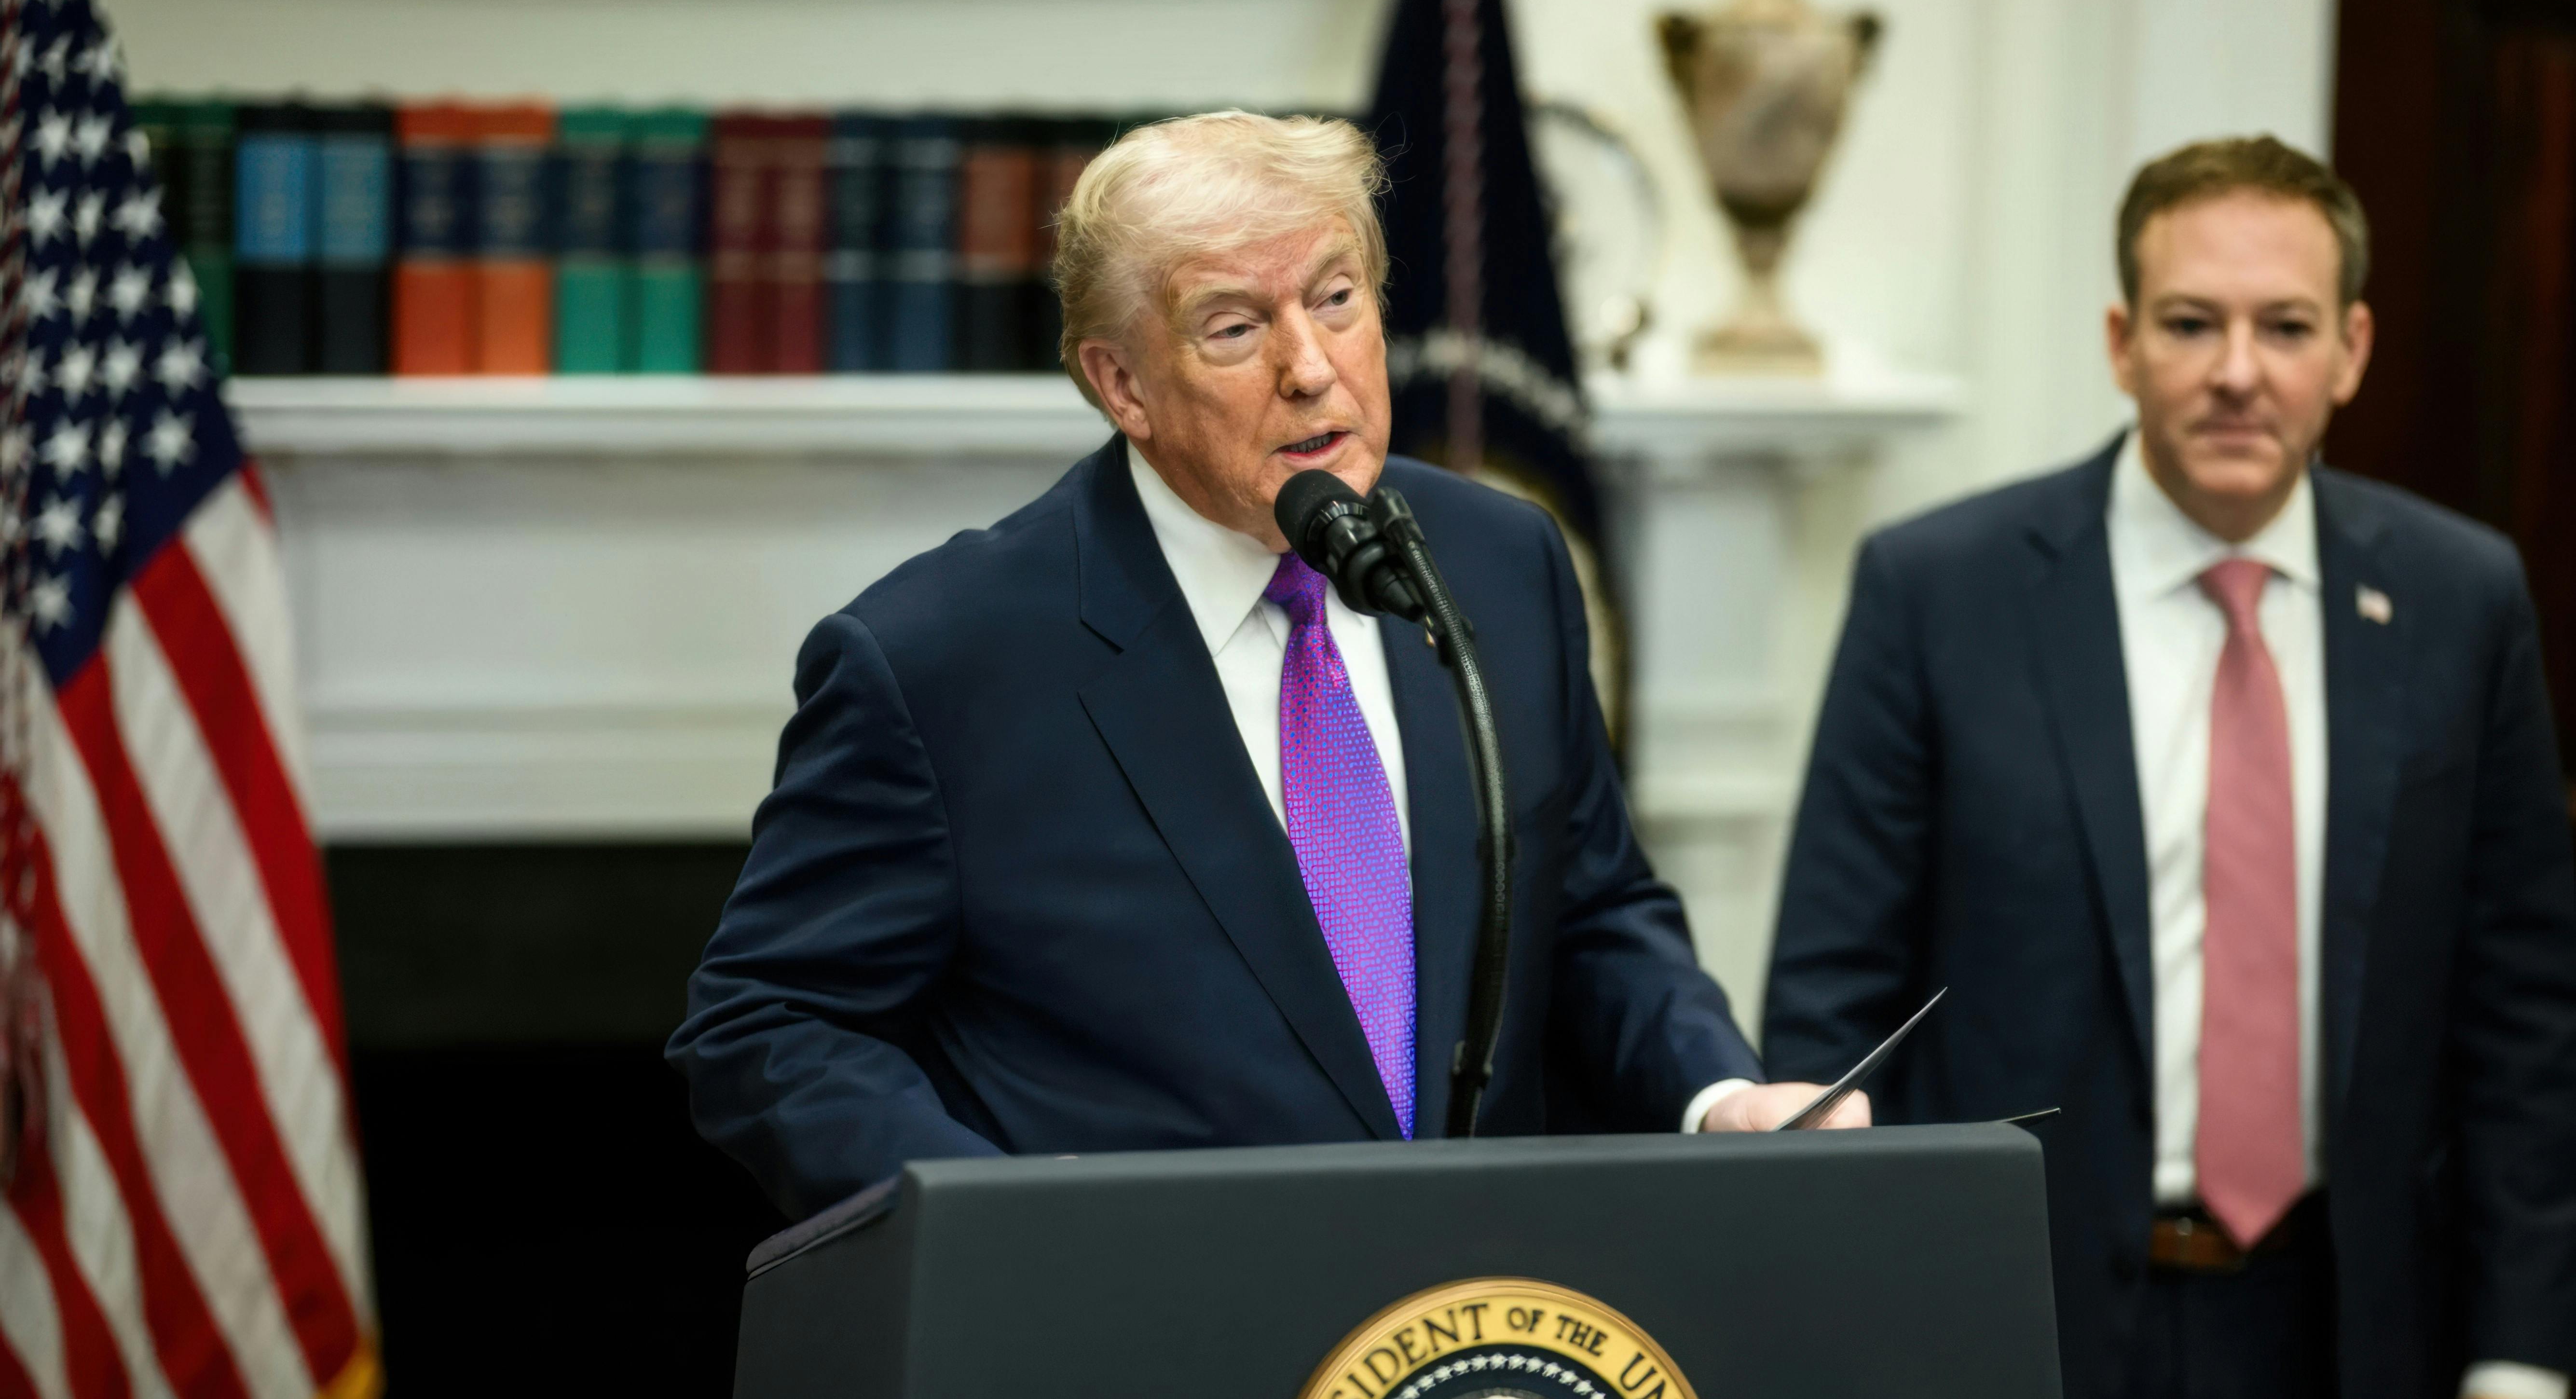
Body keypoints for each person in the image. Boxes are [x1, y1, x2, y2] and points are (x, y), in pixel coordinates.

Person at [669, 111, 1855, 1223]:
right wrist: (994, 1215)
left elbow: (1590, 910)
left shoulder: (1501, 563)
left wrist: (1717, 1092)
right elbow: (768, 1020)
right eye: (1235, 328)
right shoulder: (939, 657)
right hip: (1155, 1313)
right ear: (1122, 384)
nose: (1311, 365)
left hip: (1470, 1304)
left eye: (1337, 299)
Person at [1763, 135, 2576, 1399]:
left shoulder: (2460, 600)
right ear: (2121, 342)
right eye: (2191, 323)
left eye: (2285, 327)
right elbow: (1832, 1000)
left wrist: (2520, 1355)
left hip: (2358, 1325)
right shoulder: (1937, 593)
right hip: (2019, 1320)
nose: (2237, 372)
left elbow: (2524, 1013)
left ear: (2351, 348)